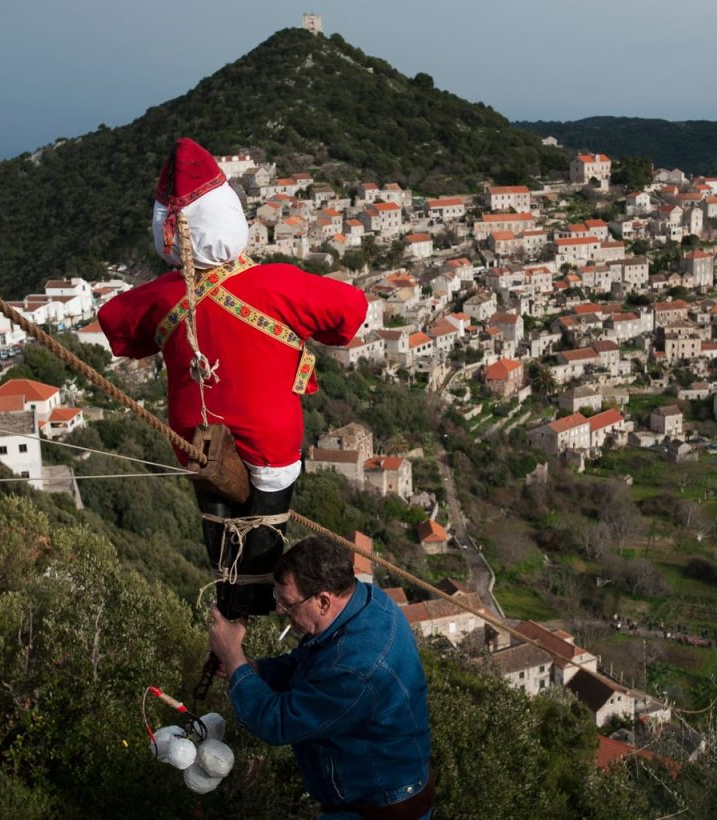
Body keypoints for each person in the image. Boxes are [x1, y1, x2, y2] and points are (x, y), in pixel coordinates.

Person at [99, 138, 367, 618]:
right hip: (269, 435)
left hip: (195, 435)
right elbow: (350, 310)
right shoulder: (275, 285)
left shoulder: (162, 297)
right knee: (265, 525)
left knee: (217, 518)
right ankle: (259, 605)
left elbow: (115, 321)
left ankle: (228, 603)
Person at [208, 536, 434, 819]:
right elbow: (311, 665)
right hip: (377, 793)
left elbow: (277, 722)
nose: (280, 610)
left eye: (287, 603)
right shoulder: (368, 601)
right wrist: (256, 670)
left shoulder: (355, 670)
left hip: (376, 808)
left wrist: (233, 657)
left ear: (324, 601)